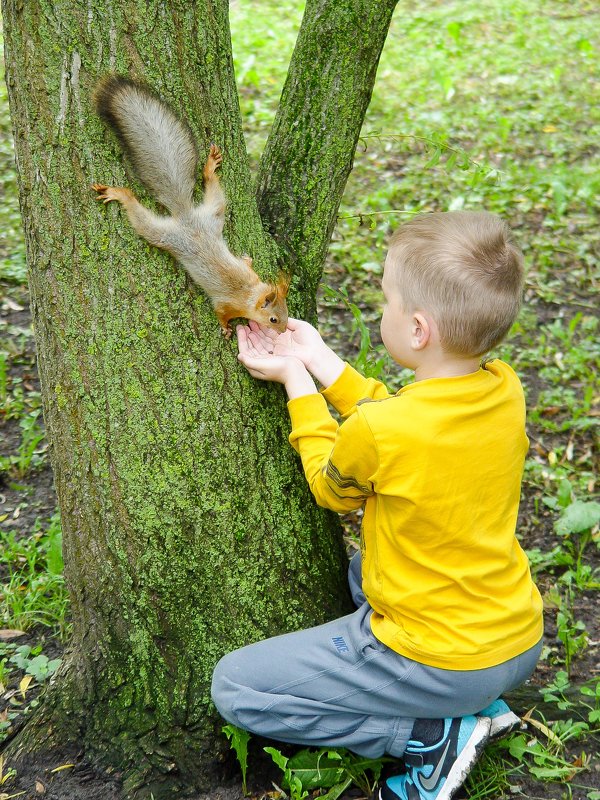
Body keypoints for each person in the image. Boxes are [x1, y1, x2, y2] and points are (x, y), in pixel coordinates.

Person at [211, 211, 544, 800]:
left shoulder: (384, 431)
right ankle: (478, 706)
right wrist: (323, 361)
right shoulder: (504, 388)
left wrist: (297, 383)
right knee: (362, 571)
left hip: (440, 659)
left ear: (418, 329)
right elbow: (399, 423)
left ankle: (425, 734)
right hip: (515, 637)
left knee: (236, 687)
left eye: (385, 300)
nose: (381, 310)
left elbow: (330, 484)